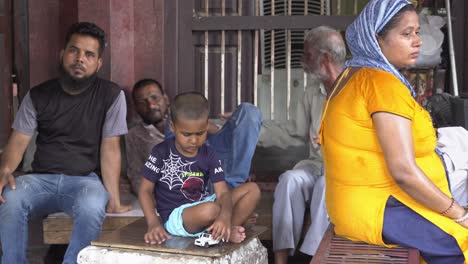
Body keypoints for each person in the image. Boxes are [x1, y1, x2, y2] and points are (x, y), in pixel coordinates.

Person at [318, 0, 467, 263]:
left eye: (418, 32)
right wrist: (458, 212)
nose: (418, 41)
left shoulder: (353, 74)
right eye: (406, 34)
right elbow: (403, 171)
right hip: (380, 206)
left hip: (353, 203)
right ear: (376, 39)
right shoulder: (381, 83)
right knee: (458, 244)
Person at [0, 22, 131, 264]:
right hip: (40, 180)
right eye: (74, 50)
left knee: (93, 205)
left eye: (89, 54)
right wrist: (4, 171)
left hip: (84, 181)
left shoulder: (111, 96)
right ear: (62, 55)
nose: (80, 58)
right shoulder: (38, 95)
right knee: (10, 197)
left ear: (98, 63)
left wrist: (113, 196)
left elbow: (110, 149)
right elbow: (17, 144)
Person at [138, 92, 260, 244]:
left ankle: (226, 229)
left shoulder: (209, 153)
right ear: (172, 127)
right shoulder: (160, 152)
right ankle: (222, 230)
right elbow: (145, 190)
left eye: (200, 133)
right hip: (177, 217)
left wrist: (225, 217)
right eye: (187, 134)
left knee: (252, 189)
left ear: (207, 125)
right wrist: (153, 223)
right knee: (211, 210)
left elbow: (222, 194)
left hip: (205, 203)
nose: (194, 140)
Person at [272, 26, 346, 264]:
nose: (303, 61)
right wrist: (251, 130)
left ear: (325, 59)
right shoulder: (312, 91)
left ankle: (313, 257)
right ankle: (281, 258)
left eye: (308, 55)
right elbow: (295, 133)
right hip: (316, 164)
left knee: (327, 184)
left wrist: (333, 141)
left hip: (347, 170)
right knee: (289, 180)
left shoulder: (355, 88)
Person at [126, 79, 262, 194]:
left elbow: (230, 140)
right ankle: (228, 195)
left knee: (249, 111)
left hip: (218, 158)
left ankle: (232, 187)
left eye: (155, 97)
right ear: (136, 107)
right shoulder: (135, 135)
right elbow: (136, 174)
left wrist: (223, 125)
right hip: (190, 179)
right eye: (142, 102)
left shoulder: (195, 117)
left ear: (165, 98)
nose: (151, 105)